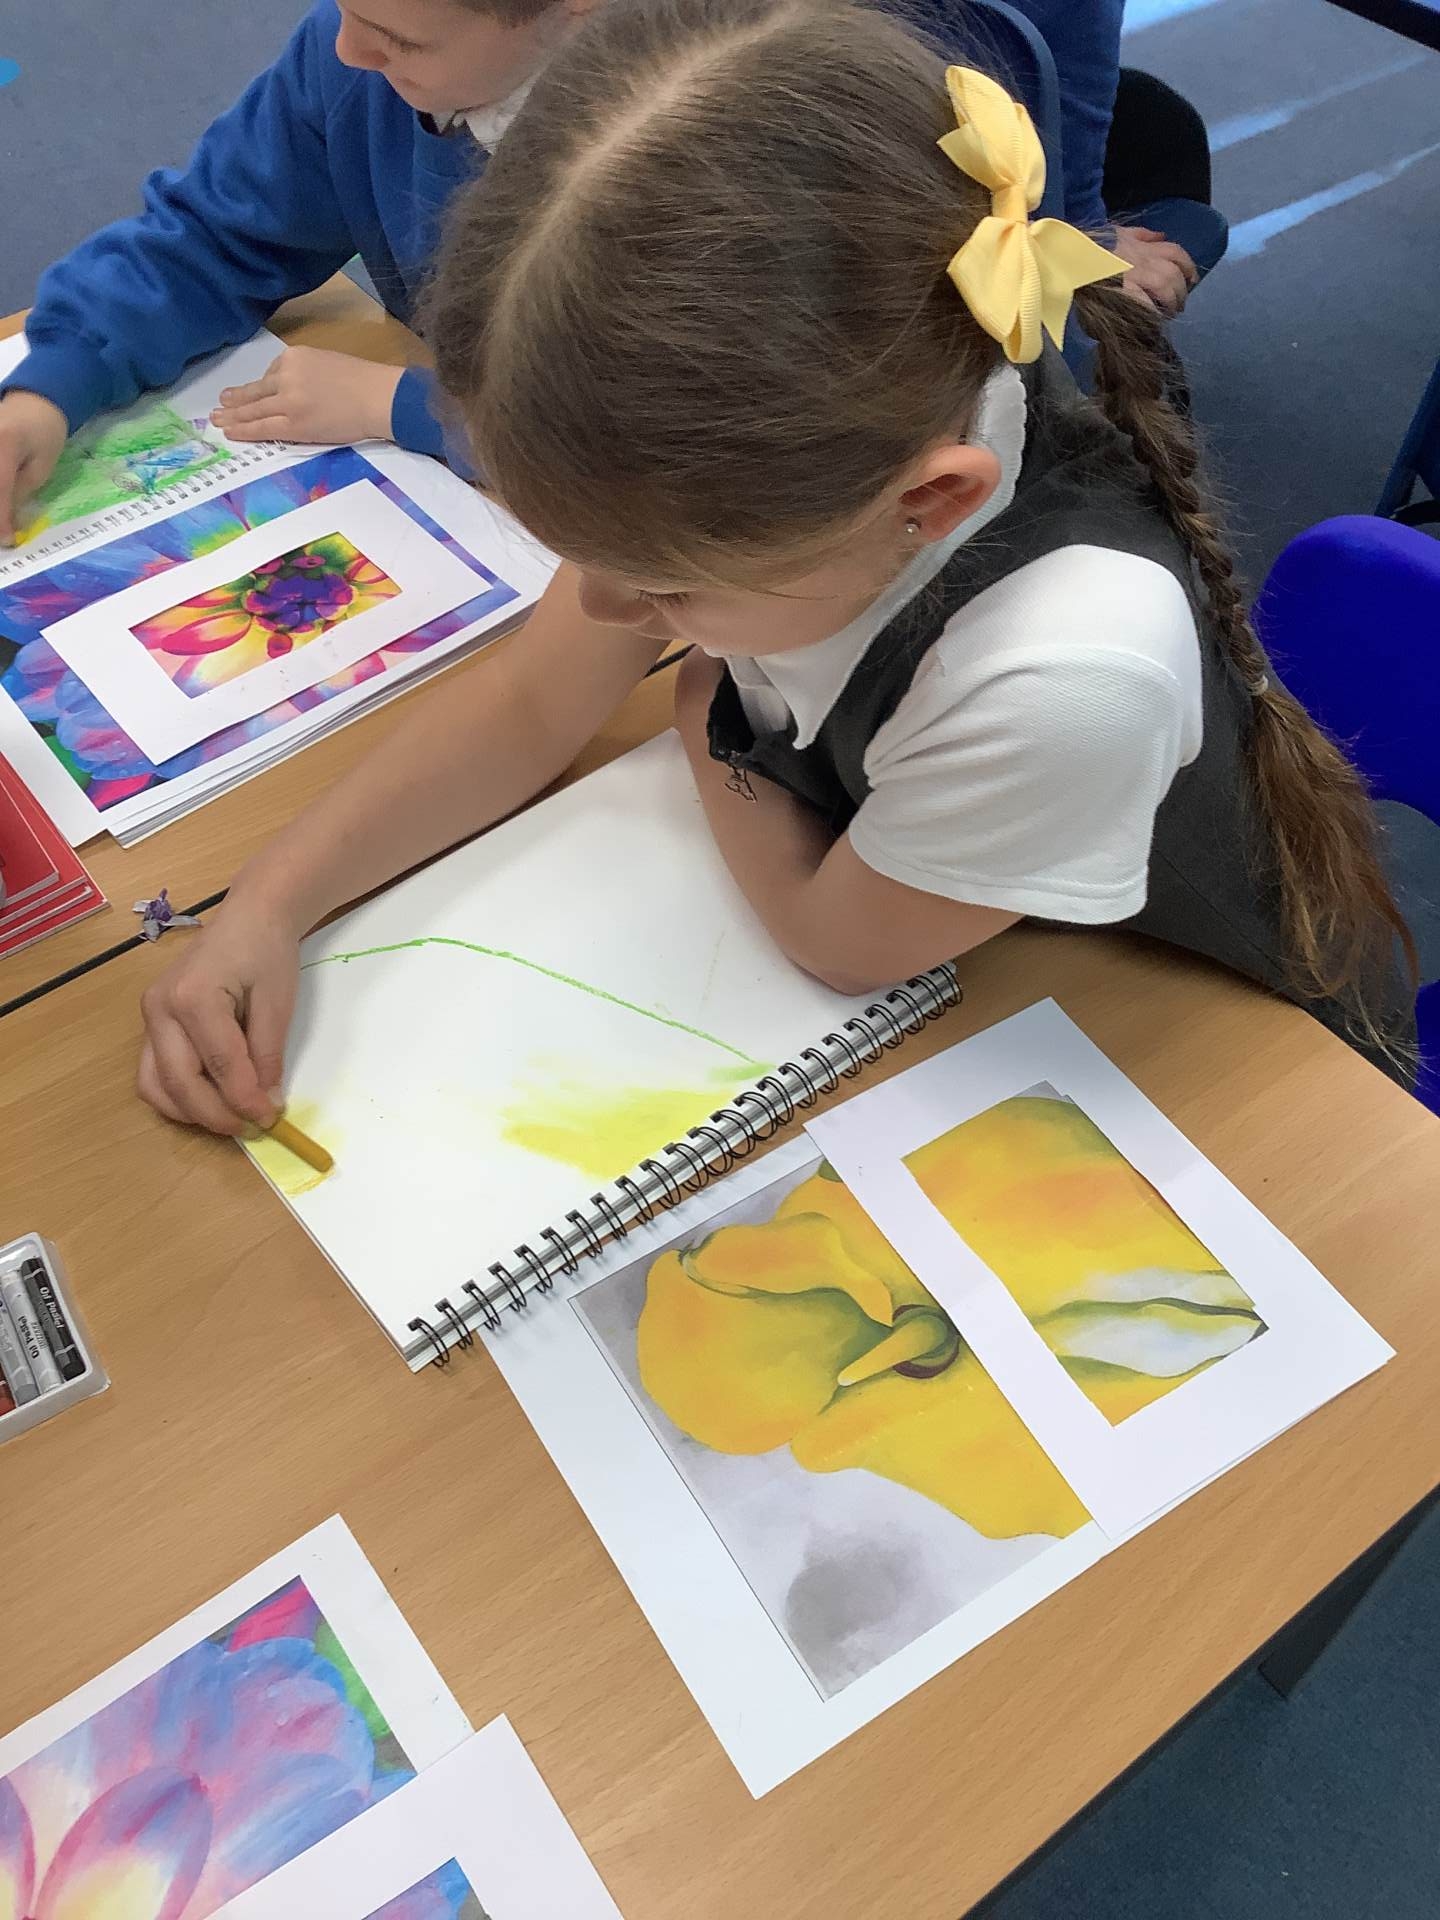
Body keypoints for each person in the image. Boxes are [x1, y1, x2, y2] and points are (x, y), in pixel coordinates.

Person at [136, 0, 1416, 1135]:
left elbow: (836, 939)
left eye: (666, 588)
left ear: (928, 503)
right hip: (969, 897)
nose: (609, 608)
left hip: (1228, 1064)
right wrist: (270, 906)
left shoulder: (1069, 667)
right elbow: (532, 700)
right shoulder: (837, 426)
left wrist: (705, 719)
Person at [0, 0, 601, 544]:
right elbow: (212, 236)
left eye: (401, 40)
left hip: (594, 527)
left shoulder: (639, 165)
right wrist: (54, 382)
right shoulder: (362, 62)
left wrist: (399, 404)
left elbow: (621, 442)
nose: (347, 48)